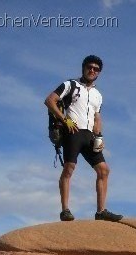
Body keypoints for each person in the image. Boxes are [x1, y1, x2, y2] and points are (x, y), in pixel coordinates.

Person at [44, 55, 122, 222]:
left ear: (99, 73)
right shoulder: (70, 85)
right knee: (69, 168)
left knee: (104, 170)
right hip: (73, 132)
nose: (92, 70)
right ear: (83, 68)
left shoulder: (97, 95)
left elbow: (97, 116)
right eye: (89, 67)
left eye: (96, 69)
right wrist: (65, 120)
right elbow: (50, 100)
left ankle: (101, 212)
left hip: (90, 135)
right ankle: (65, 210)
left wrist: (99, 136)